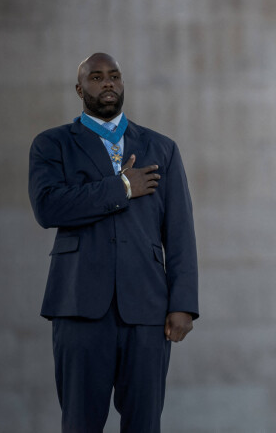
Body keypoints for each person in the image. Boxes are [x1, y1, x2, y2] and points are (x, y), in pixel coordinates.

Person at [29, 53, 199, 433]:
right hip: (78, 305)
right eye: (96, 77)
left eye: (115, 76)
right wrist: (122, 187)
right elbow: (48, 207)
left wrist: (183, 303)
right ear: (79, 89)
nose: (107, 83)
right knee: (80, 423)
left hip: (148, 309)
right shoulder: (52, 144)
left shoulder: (162, 148)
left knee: (145, 424)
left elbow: (181, 232)